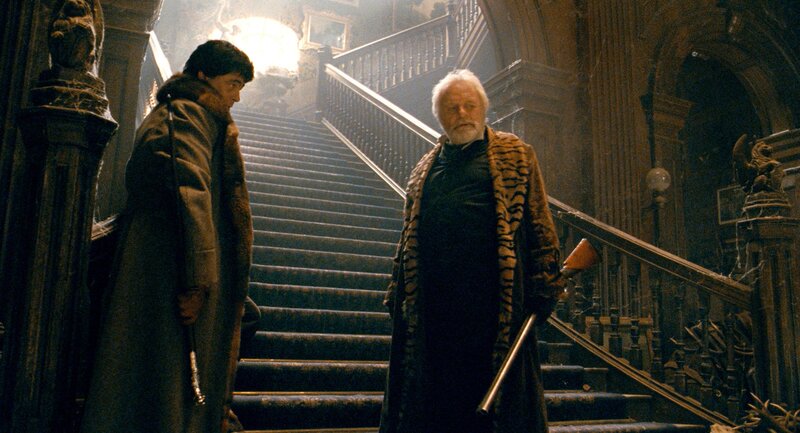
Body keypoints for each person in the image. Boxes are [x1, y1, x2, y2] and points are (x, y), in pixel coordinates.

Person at [80, 40, 255, 433]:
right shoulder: (186, 115)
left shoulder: (193, 117)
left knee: (167, 378)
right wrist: (198, 280)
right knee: (161, 381)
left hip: (174, 263)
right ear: (203, 76)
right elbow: (189, 193)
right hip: (169, 267)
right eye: (233, 83)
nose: (237, 96)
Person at [379, 69, 565, 433]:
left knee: (495, 408)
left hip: (493, 307)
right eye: (452, 108)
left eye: (469, 105)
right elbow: (407, 240)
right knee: (438, 404)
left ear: (483, 109)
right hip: (436, 310)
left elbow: (540, 223)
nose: (462, 113)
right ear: (440, 117)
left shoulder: (516, 154)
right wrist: (396, 291)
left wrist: (545, 283)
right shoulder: (422, 171)